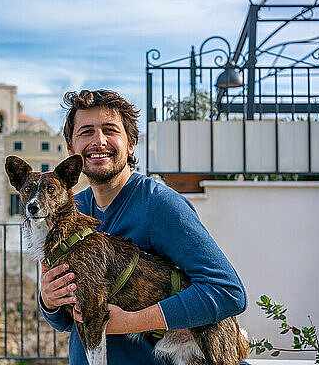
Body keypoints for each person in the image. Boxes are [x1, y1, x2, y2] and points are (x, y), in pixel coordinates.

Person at [39, 90, 247, 364]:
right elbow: (66, 323)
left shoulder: (160, 205)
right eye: (86, 132)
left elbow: (228, 291)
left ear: (131, 142)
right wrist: (49, 301)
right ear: (70, 148)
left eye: (110, 130)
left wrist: (133, 322)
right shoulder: (68, 210)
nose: (98, 141)